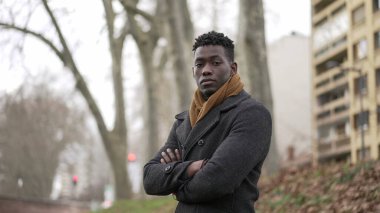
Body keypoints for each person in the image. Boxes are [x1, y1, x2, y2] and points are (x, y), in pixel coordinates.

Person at [143, 31, 272, 213]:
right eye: (199, 64)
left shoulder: (251, 114)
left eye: (216, 62)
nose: (206, 70)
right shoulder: (183, 121)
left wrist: (174, 184)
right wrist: (190, 168)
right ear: (193, 71)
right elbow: (149, 179)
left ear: (233, 69)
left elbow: (217, 181)